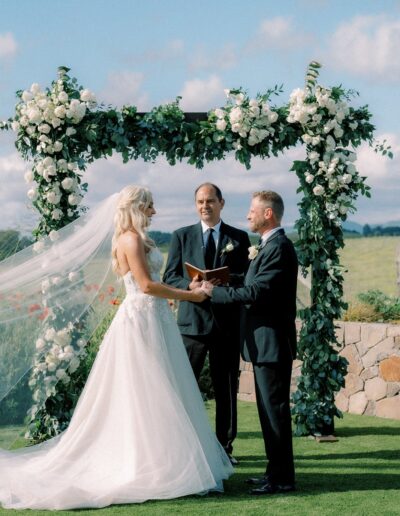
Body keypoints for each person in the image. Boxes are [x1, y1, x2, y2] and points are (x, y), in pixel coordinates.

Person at [0, 185, 233, 510]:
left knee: (162, 390)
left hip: (155, 319)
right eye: (149, 206)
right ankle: (144, 463)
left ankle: (162, 459)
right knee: (144, 391)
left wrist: (191, 285)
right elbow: (147, 286)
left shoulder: (138, 238)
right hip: (141, 319)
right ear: (136, 208)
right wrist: (191, 297)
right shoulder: (130, 239)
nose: (154, 212)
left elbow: (155, 279)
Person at [202, 190, 298, 495]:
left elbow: (257, 292)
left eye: (252, 211)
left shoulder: (279, 248)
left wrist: (212, 293)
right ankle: (274, 471)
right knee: (269, 411)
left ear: (268, 214)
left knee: (275, 412)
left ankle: (282, 479)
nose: (248, 216)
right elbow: (250, 283)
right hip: (264, 343)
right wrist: (222, 280)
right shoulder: (268, 246)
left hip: (271, 343)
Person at [163, 183, 250, 464]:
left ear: (221, 203)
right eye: (200, 201)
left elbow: (246, 278)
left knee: (226, 391)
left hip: (226, 326)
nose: (205, 206)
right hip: (191, 326)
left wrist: (222, 282)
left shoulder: (239, 238)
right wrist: (189, 284)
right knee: (184, 388)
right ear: (195, 204)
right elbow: (169, 277)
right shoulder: (181, 236)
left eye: (210, 201)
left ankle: (224, 449)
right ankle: (183, 449)